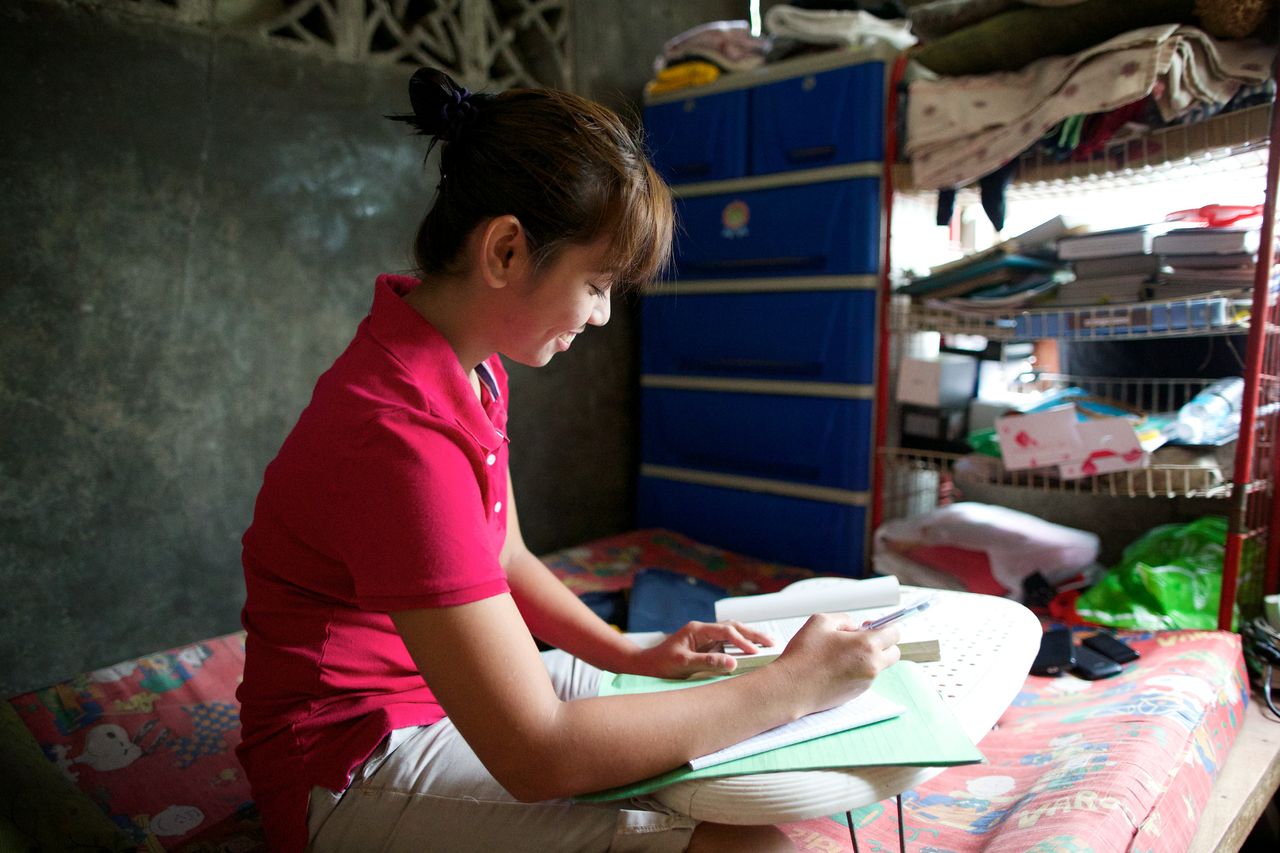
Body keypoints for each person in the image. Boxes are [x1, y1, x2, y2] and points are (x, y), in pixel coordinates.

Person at [235, 67, 902, 853]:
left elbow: (504, 553)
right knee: (755, 846)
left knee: (727, 772)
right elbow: (537, 752)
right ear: (508, 250)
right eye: (596, 283)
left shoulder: (468, 364)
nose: (602, 313)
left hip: (442, 690)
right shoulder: (398, 430)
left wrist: (626, 651)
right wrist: (791, 684)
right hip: (347, 760)